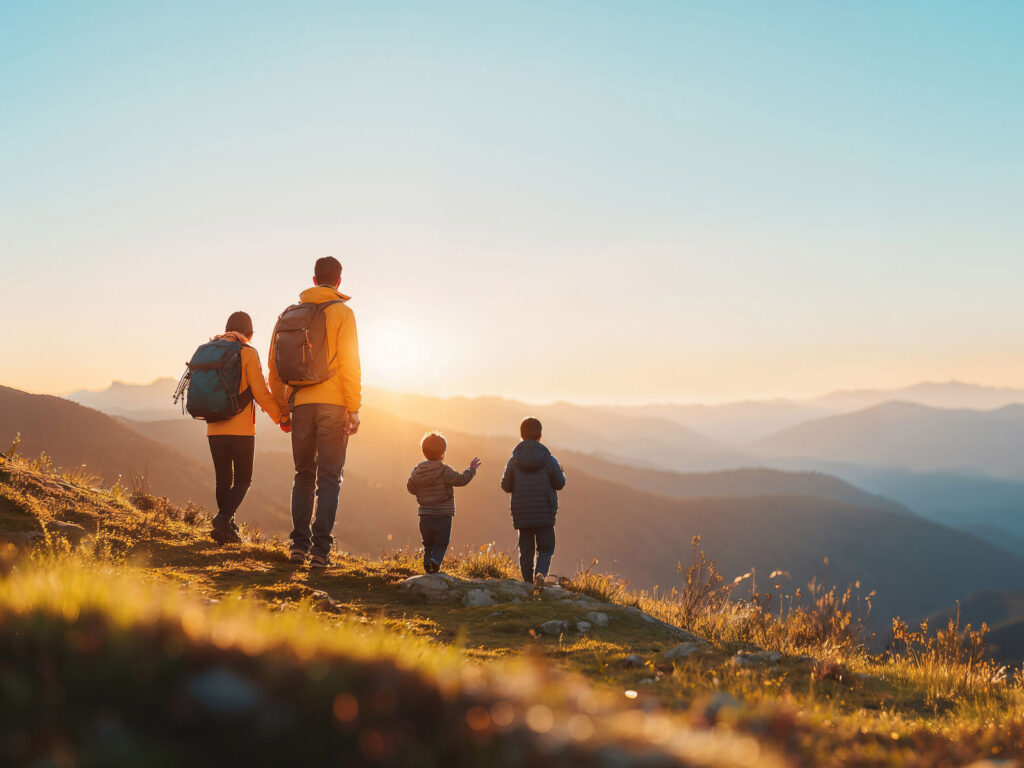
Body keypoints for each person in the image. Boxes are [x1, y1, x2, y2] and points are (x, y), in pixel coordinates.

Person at [269, 256, 361, 569]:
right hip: (334, 404)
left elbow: (275, 367)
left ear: (313, 280)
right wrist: (355, 407)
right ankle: (321, 552)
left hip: (301, 405)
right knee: (330, 478)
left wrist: (283, 410)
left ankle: (298, 546)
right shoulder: (343, 313)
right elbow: (350, 363)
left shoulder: (288, 314)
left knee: (303, 475)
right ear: (338, 281)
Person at [206, 311, 285, 544]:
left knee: (223, 480)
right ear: (250, 334)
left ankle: (225, 531)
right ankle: (223, 520)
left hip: (213, 427)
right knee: (243, 480)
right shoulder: (248, 352)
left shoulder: (211, 349)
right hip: (241, 430)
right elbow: (260, 392)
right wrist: (280, 417)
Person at [500, 417, 567, 585]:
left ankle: (527, 583)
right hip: (545, 513)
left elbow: (506, 486)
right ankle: (540, 576)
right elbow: (560, 483)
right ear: (540, 436)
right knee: (546, 549)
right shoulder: (550, 460)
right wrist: (561, 472)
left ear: (521, 435)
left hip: (522, 514)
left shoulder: (513, 461)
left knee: (526, 551)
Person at [406, 431, 481, 573]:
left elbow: (410, 487)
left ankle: (428, 568)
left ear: (424, 451)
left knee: (428, 544)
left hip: (425, 515)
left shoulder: (417, 471)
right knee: (441, 543)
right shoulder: (444, 470)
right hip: (443, 515)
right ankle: (435, 561)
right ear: (443, 452)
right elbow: (461, 480)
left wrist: (422, 492)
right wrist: (471, 470)